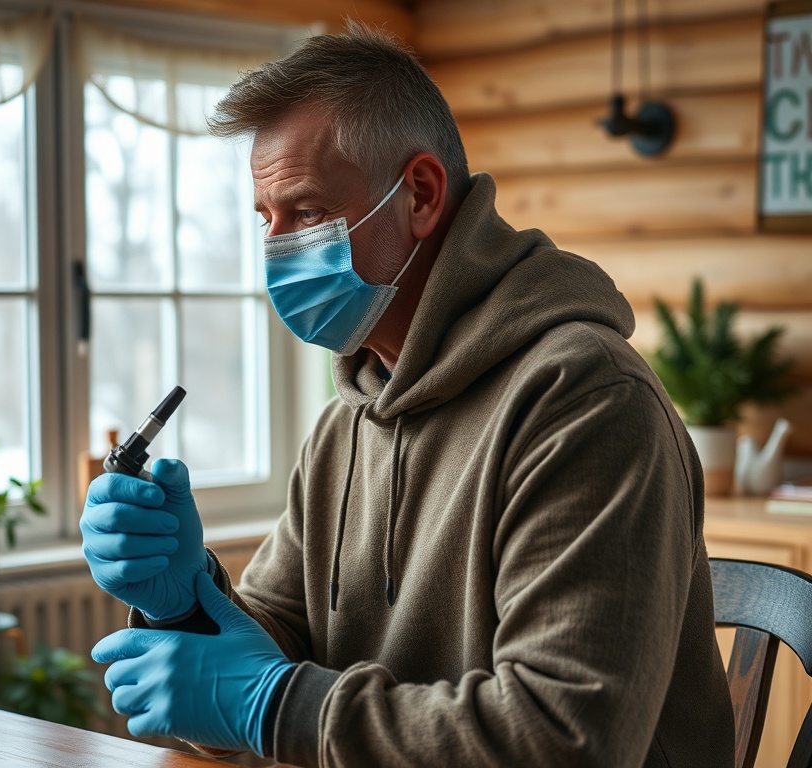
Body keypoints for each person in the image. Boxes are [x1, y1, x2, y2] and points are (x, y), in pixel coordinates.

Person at [81, 21, 735, 768]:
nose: (277, 251)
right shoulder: (347, 423)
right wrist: (186, 604)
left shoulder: (585, 401)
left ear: (420, 194)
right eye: (267, 221)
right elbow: (265, 653)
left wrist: (274, 706)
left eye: (307, 212)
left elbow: (564, 739)